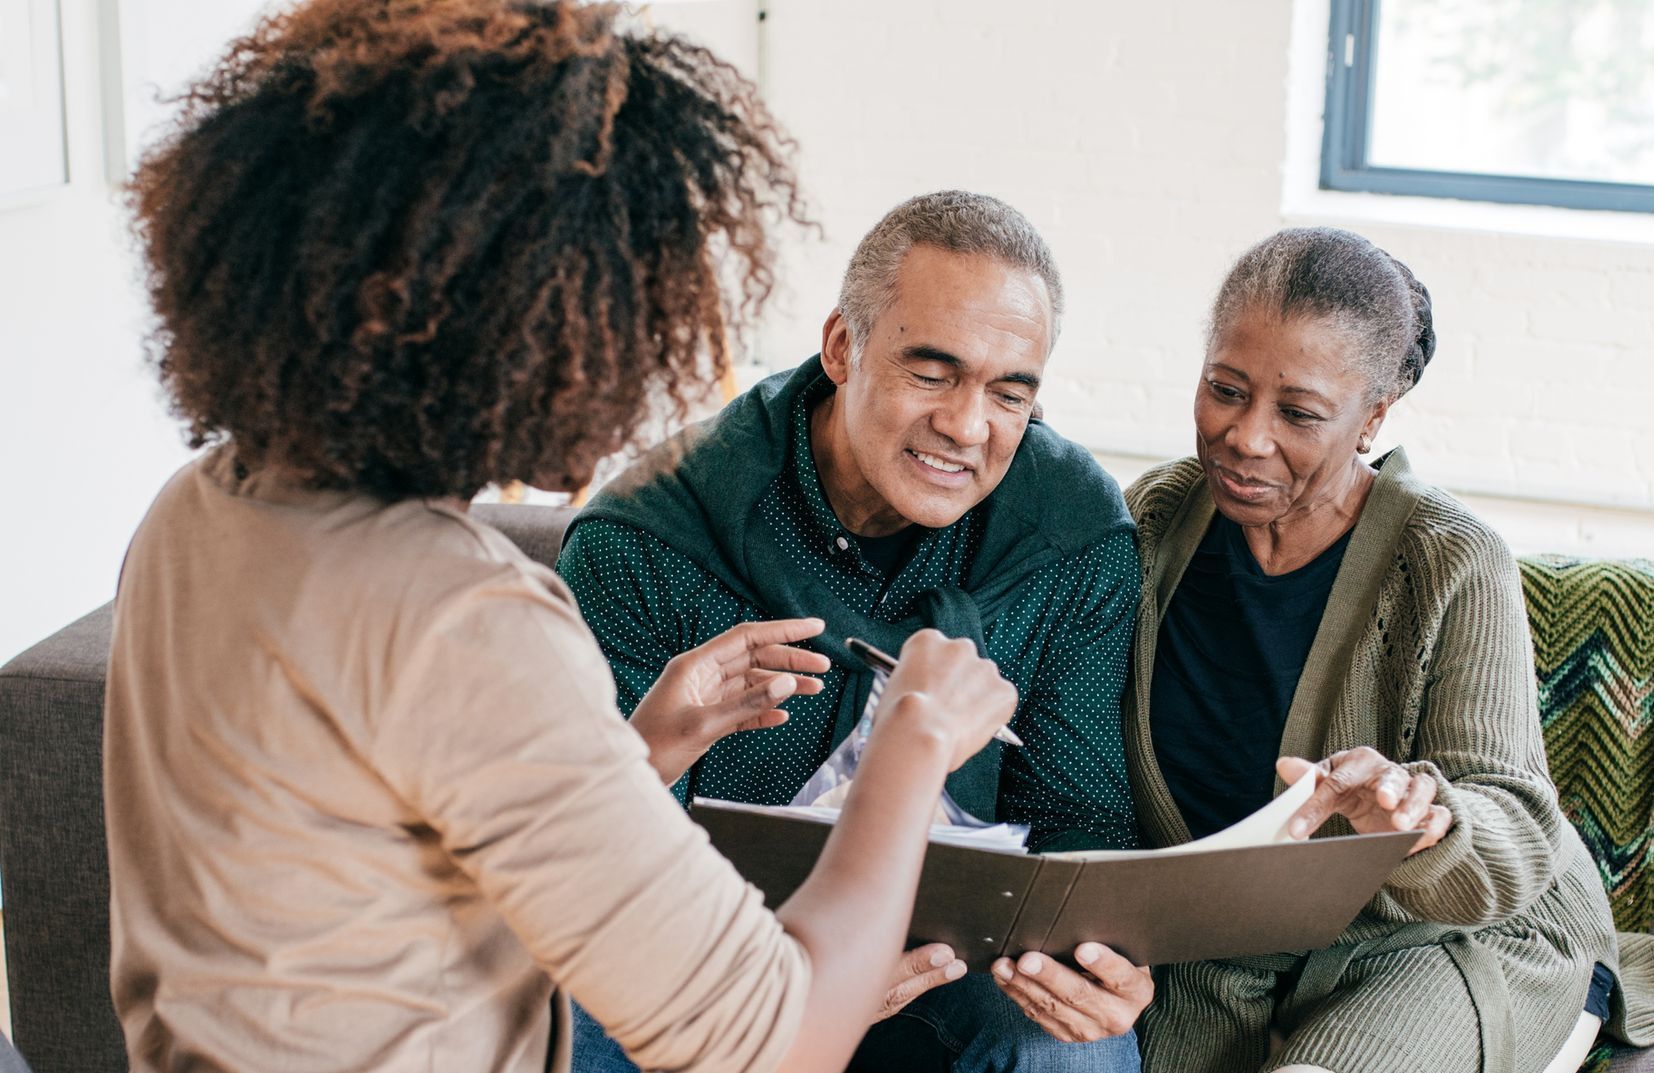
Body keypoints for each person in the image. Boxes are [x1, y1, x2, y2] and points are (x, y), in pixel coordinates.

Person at [102, 4, 1022, 1072]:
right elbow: (784, 1037)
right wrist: (909, 741)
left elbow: (364, 870)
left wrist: (639, 749)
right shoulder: (463, 616)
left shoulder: (199, 508)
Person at [557, 190, 1152, 1073]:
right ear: (844, 346)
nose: (967, 425)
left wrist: (1100, 964)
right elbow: (597, 868)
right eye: (932, 372)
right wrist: (798, 987)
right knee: (568, 1009)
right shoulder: (648, 535)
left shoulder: (1073, 531)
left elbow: (1078, 821)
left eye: (1009, 392)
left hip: (952, 969)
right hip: (705, 959)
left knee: (1073, 1047)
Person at [1124, 226, 1627, 1073]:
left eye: (1299, 413)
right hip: (1226, 952)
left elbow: (1513, 823)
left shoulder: (1449, 557)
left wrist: (1420, 815)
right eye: (1225, 389)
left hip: (1448, 935)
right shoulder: (1158, 517)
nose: (1246, 436)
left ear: (1373, 417)